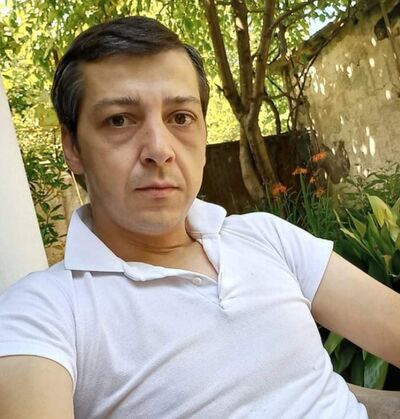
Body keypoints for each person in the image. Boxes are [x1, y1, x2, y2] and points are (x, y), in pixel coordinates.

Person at [0, 16, 399, 419]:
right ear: (73, 147)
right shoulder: (45, 310)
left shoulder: (266, 236)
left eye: (180, 117)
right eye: (119, 120)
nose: (160, 150)